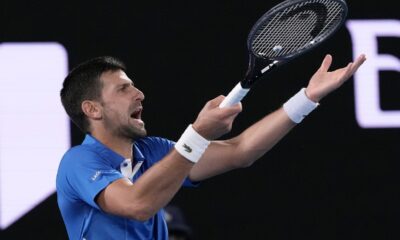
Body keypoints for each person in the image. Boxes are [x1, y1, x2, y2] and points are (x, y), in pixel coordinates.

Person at [56, 54, 366, 240]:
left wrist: (307, 98)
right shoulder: (79, 162)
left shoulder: (153, 152)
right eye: (124, 89)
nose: (139, 94)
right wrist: (198, 134)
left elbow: (239, 150)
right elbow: (138, 205)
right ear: (92, 109)